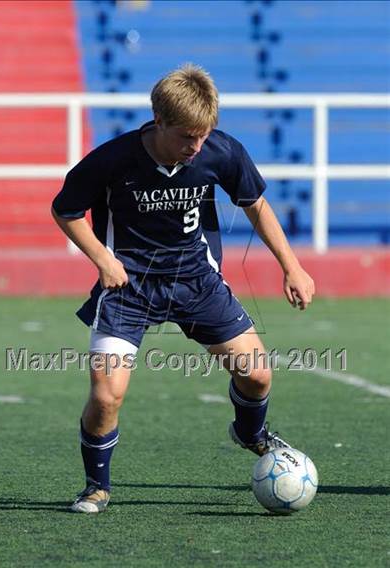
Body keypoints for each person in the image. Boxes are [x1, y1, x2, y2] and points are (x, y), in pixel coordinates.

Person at [52, 64, 315, 514]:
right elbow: (65, 210)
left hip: (197, 281)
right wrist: (103, 259)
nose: (196, 146)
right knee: (107, 393)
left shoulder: (221, 151)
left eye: (203, 136)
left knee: (257, 375)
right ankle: (96, 486)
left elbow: (255, 204)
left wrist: (292, 267)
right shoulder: (112, 160)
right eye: (187, 137)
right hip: (129, 286)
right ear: (159, 121)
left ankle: (250, 433)